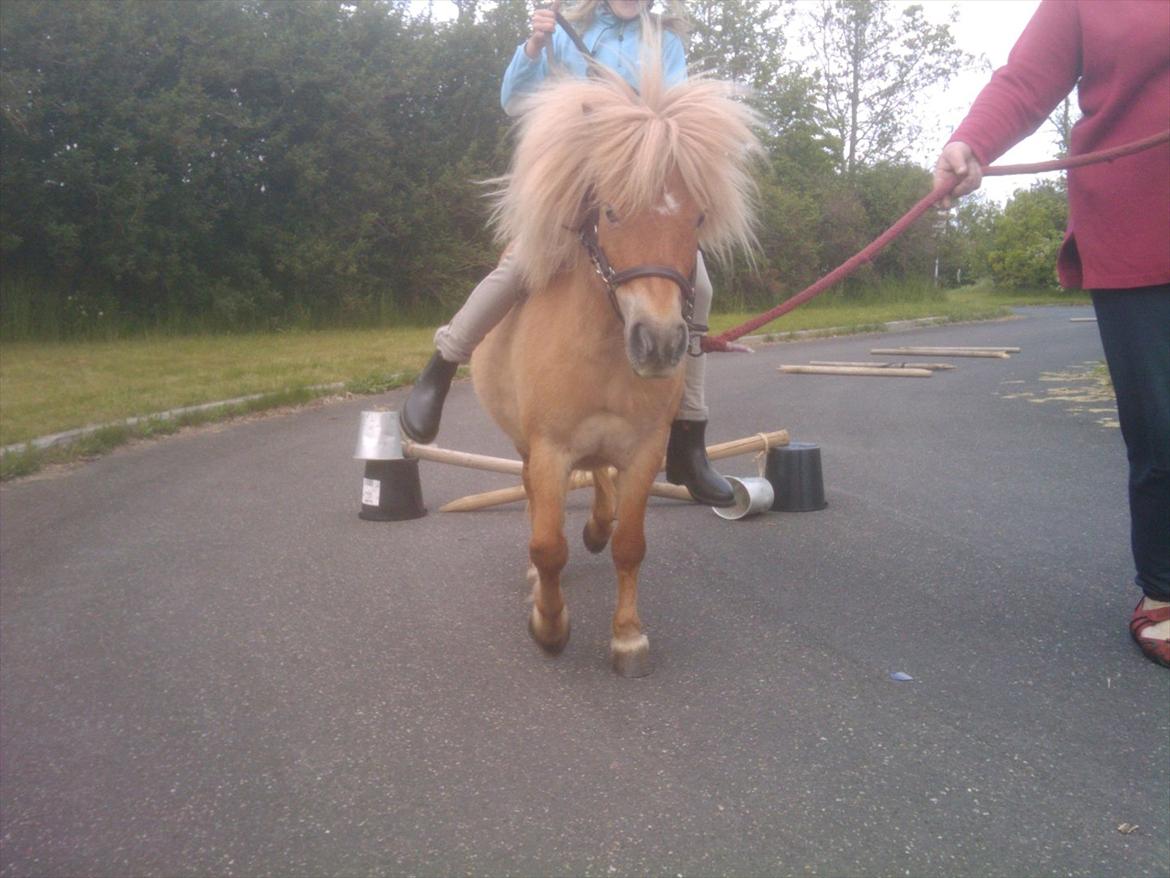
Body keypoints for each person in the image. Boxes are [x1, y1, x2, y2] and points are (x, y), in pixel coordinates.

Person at [400, 0, 736, 507]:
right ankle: (442, 366)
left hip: (634, 185)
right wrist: (534, 46)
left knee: (701, 288)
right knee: (517, 267)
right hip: (571, 180)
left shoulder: (665, 41)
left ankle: (688, 437)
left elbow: (674, 118)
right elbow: (515, 101)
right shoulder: (562, 31)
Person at [933, 0, 1170, 668]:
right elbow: (1024, 80)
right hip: (1136, 228)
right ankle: (1164, 591)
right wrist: (971, 141)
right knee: (1161, 427)